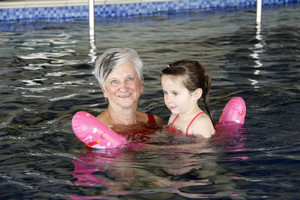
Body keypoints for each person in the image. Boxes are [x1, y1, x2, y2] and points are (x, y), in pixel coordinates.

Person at [93, 47, 164, 142]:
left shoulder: (156, 122)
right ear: (104, 90)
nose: (123, 88)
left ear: (142, 83)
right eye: (114, 81)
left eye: (129, 78)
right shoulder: (95, 131)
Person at [160, 60, 215, 138]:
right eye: (165, 92)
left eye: (175, 93)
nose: (168, 100)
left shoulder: (201, 123)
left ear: (196, 94)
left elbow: (204, 149)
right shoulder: (174, 116)